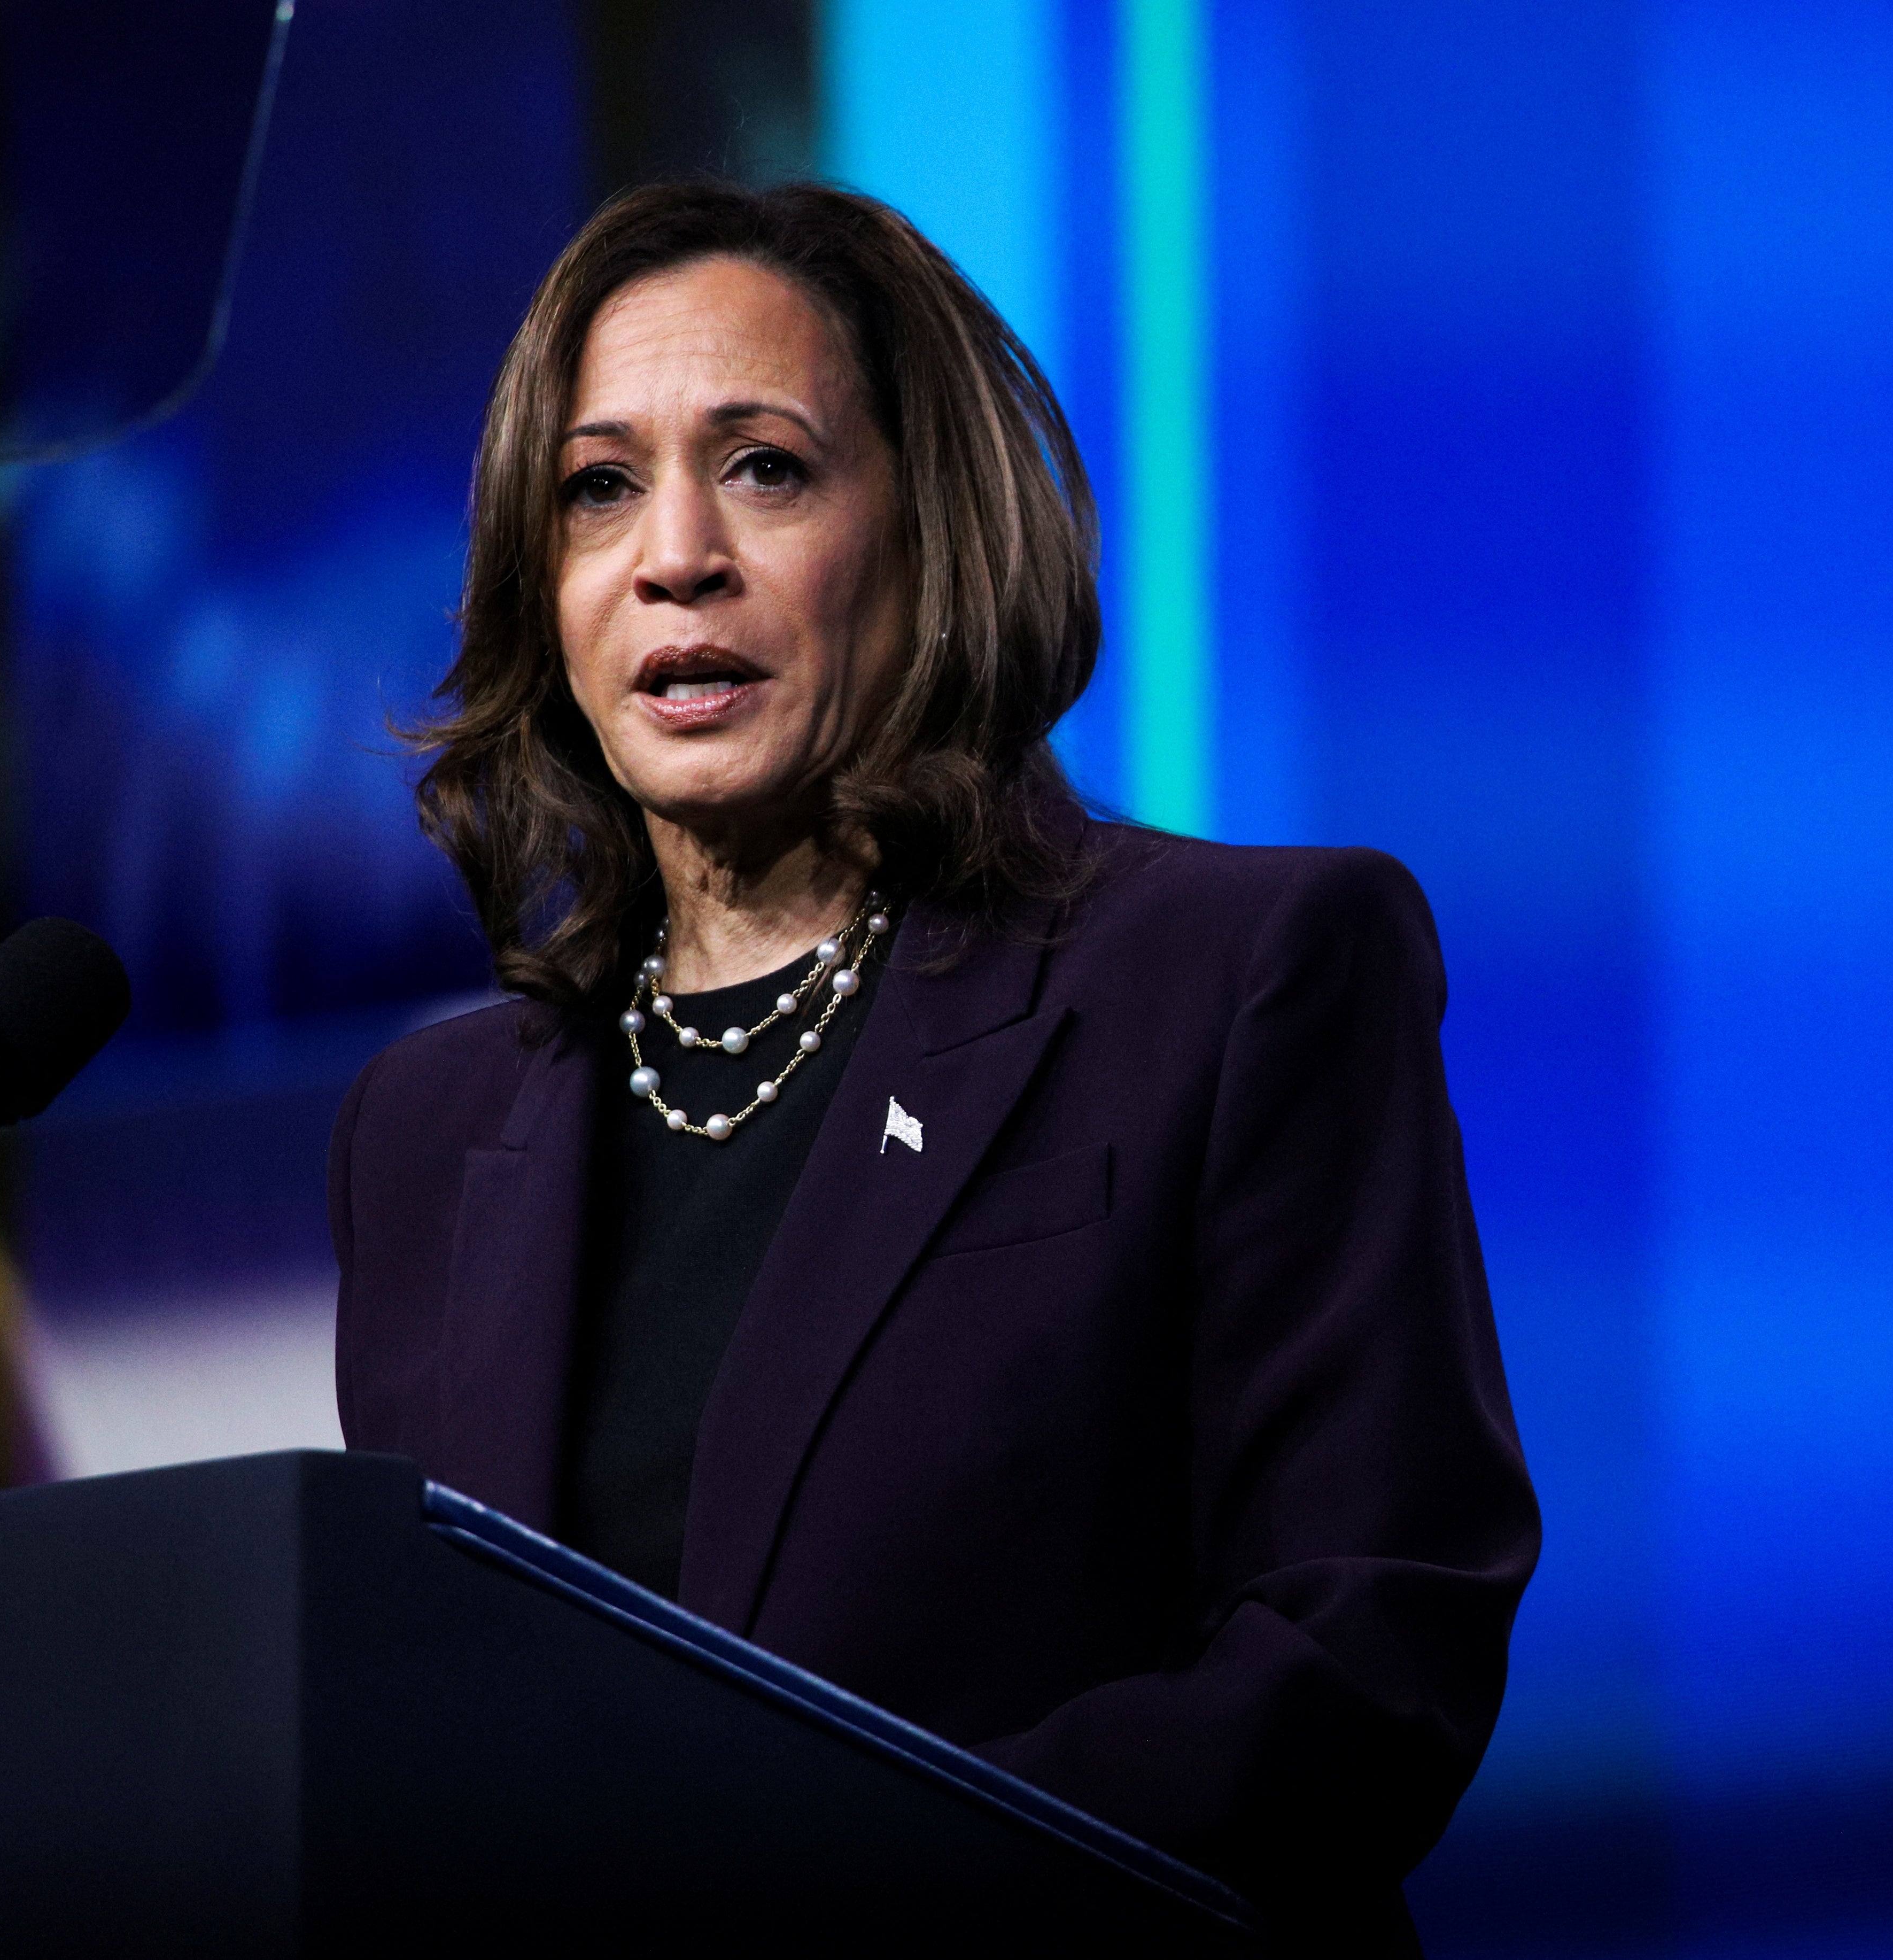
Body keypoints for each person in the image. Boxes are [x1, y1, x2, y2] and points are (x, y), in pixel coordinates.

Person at [329, 181, 1536, 1952]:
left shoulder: (1234, 972)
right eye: (599, 488)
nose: (675, 553)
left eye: (765, 467)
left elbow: (1365, 1658)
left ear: (933, 532)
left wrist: (832, 1881)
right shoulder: (425, 1133)